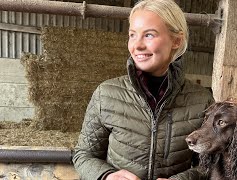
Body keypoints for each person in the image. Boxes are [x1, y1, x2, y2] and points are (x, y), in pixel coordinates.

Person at [72, 0, 214, 179]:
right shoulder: (106, 94)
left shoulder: (202, 101)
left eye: (149, 35)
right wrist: (107, 176)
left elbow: (210, 164)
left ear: (176, 40)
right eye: (132, 35)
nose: (136, 45)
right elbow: (83, 155)